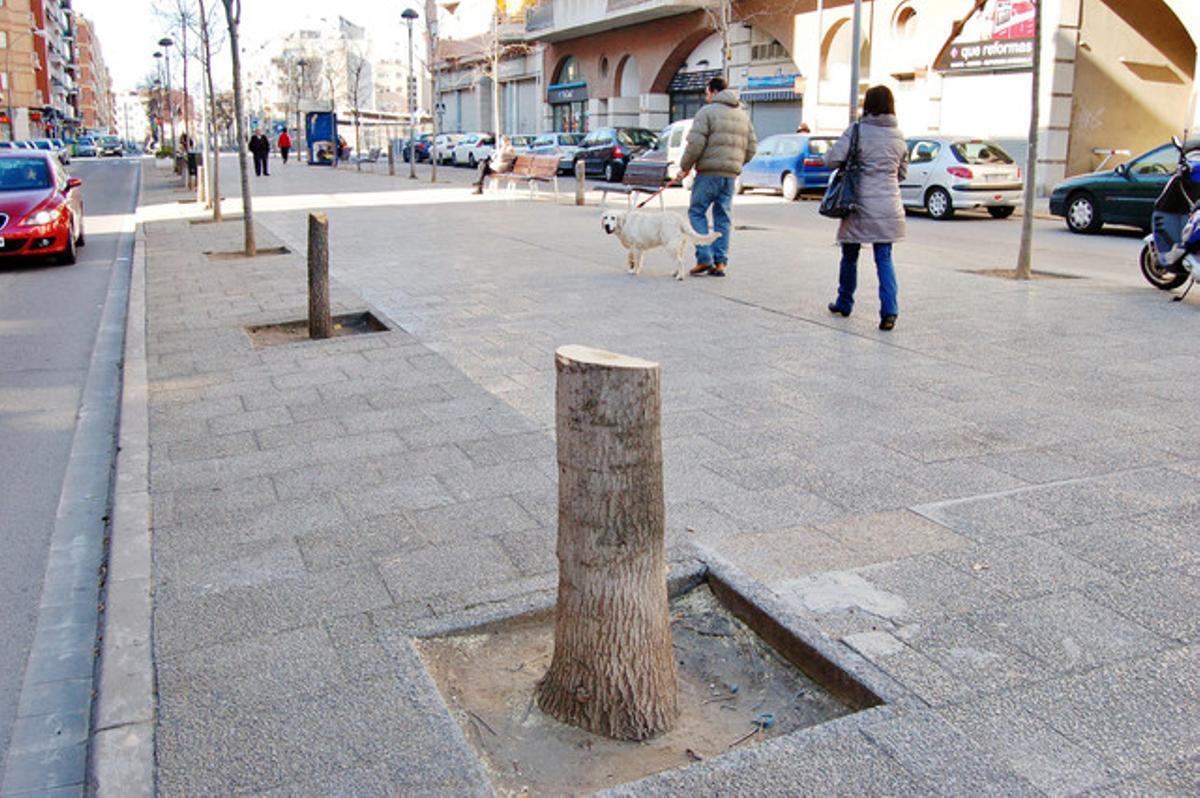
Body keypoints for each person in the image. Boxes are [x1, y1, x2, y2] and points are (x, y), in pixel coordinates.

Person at [824, 85, 908, 331]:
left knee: (850, 254)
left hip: (857, 204)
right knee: (884, 257)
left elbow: (831, 160)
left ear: (867, 105)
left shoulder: (857, 130)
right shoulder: (898, 135)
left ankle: (844, 301)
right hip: (889, 206)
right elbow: (902, 173)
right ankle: (889, 311)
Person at [677, 76, 756, 277]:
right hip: (730, 176)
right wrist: (736, 164)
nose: (706, 97)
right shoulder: (743, 116)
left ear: (713, 92)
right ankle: (720, 262)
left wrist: (685, 167)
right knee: (723, 217)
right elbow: (752, 148)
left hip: (708, 173)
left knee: (697, 212)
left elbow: (695, 144)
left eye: (706, 93)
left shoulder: (706, 112)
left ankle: (704, 258)